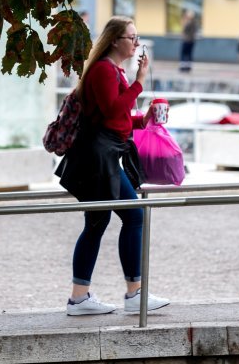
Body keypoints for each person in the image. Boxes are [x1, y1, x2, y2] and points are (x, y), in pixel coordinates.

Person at [55, 16, 170, 316]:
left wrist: (141, 120)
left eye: (136, 36)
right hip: (99, 159)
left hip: (101, 155)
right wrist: (139, 84)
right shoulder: (104, 71)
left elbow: (115, 117)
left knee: (97, 224)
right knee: (133, 217)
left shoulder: (111, 70)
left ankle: (80, 298)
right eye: (131, 37)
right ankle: (133, 293)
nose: (136, 42)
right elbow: (110, 111)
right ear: (115, 40)